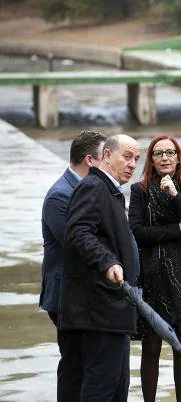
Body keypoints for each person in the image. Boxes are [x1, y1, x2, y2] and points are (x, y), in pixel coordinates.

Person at [59, 134, 141, 402]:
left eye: (136, 160)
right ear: (106, 155)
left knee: (116, 389)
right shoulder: (94, 186)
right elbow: (78, 232)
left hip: (112, 310)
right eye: (126, 157)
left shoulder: (111, 191)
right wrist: (108, 262)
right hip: (99, 312)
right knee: (102, 390)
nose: (132, 165)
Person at [129, 134, 181, 402]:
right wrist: (176, 229)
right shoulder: (139, 191)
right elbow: (137, 232)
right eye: (158, 153)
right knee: (151, 347)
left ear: (178, 157)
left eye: (170, 153)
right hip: (151, 279)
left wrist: (175, 196)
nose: (165, 157)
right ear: (151, 159)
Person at [40, 129, 106, 401]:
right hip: (65, 296)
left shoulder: (85, 189)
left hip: (82, 293)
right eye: (107, 155)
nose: (110, 162)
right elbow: (76, 244)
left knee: (85, 364)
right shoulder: (60, 195)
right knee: (73, 365)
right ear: (90, 160)